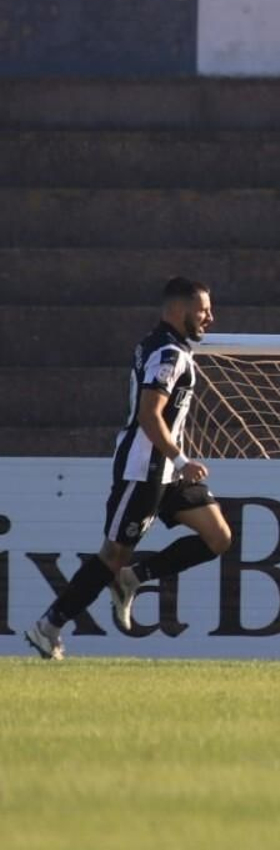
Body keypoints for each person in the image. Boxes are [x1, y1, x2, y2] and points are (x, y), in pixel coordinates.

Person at [25, 277, 233, 660]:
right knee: (112, 555)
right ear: (178, 309)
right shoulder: (168, 354)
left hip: (166, 471)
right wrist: (181, 460)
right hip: (145, 469)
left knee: (217, 537)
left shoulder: (163, 346)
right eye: (203, 310)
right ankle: (48, 627)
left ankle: (133, 579)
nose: (210, 317)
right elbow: (149, 416)